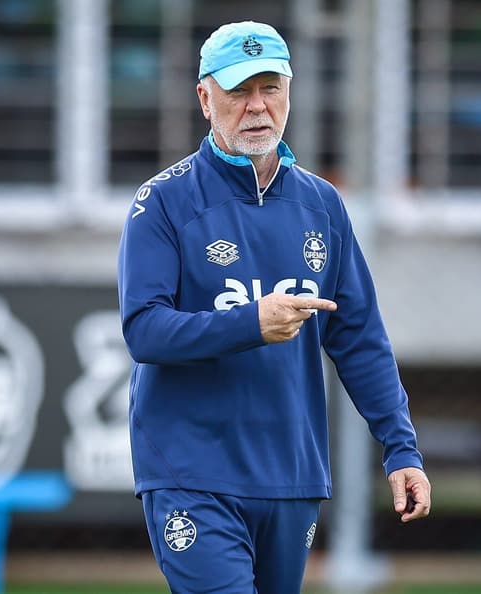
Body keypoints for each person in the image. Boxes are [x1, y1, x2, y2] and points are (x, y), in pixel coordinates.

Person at [117, 21, 430, 594]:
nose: (257, 107)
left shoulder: (322, 204)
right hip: (192, 475)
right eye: (239, 91)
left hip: (290, 477)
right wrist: (252, 322)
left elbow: (359, 339)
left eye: (271, 88)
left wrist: (400, 448)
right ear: (205, 98)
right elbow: (145, 330)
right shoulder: (162, 201)